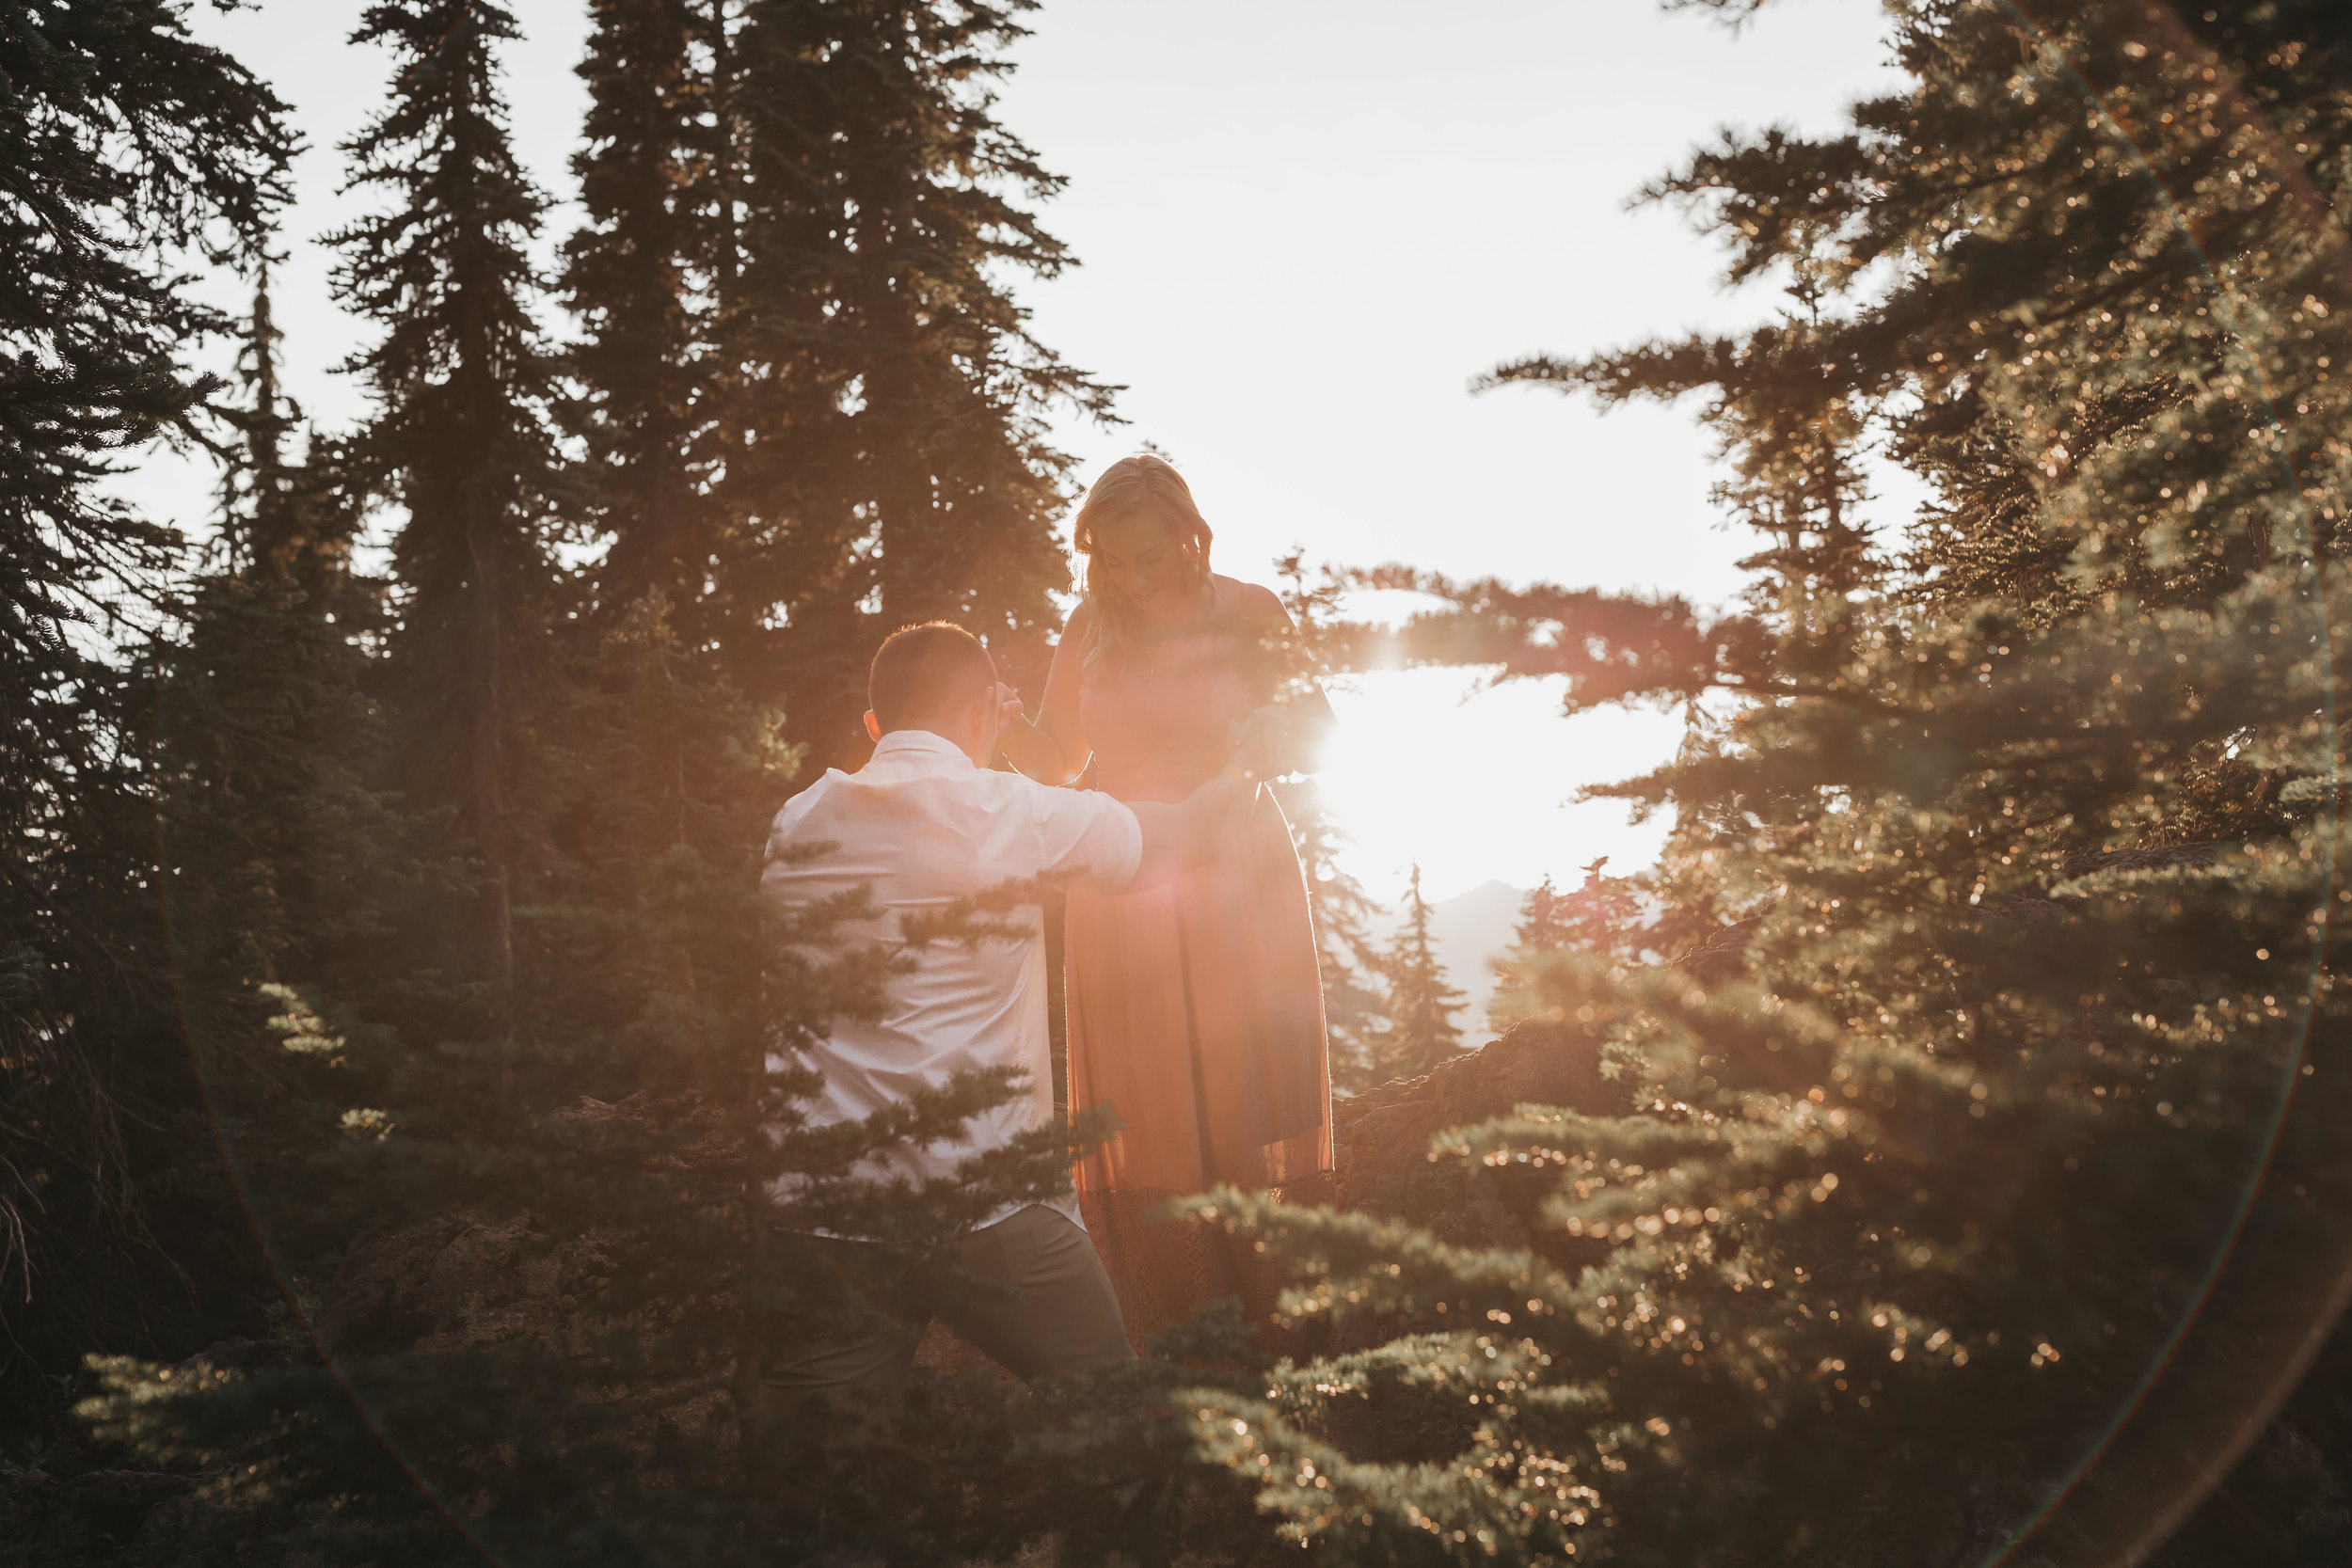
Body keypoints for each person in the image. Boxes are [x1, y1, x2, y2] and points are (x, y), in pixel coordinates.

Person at [755, 620, 1276, 1415]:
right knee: (1119, 1421)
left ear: (874, 725)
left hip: (828, 1210)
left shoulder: (795, 821)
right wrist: (1254, 765)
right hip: (992, 1207)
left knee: (807, 1497)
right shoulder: (1015, 810)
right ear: (983, 717)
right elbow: (1190, 834)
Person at [995, 454, 1335, 1343]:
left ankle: (1280, 1313)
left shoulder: (1252, 610)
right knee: (1150, 1103)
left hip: (1235, 865)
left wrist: (1276, 728)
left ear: (1189, 535)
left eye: (1149, 557)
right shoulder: (1088, 630)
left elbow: (1323, 730)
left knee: (1238, 1081)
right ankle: (1176, 1321)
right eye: (1112, 559)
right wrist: (1000, 728)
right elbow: (1057, 761)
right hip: (1125, 878)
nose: (1131, 579)